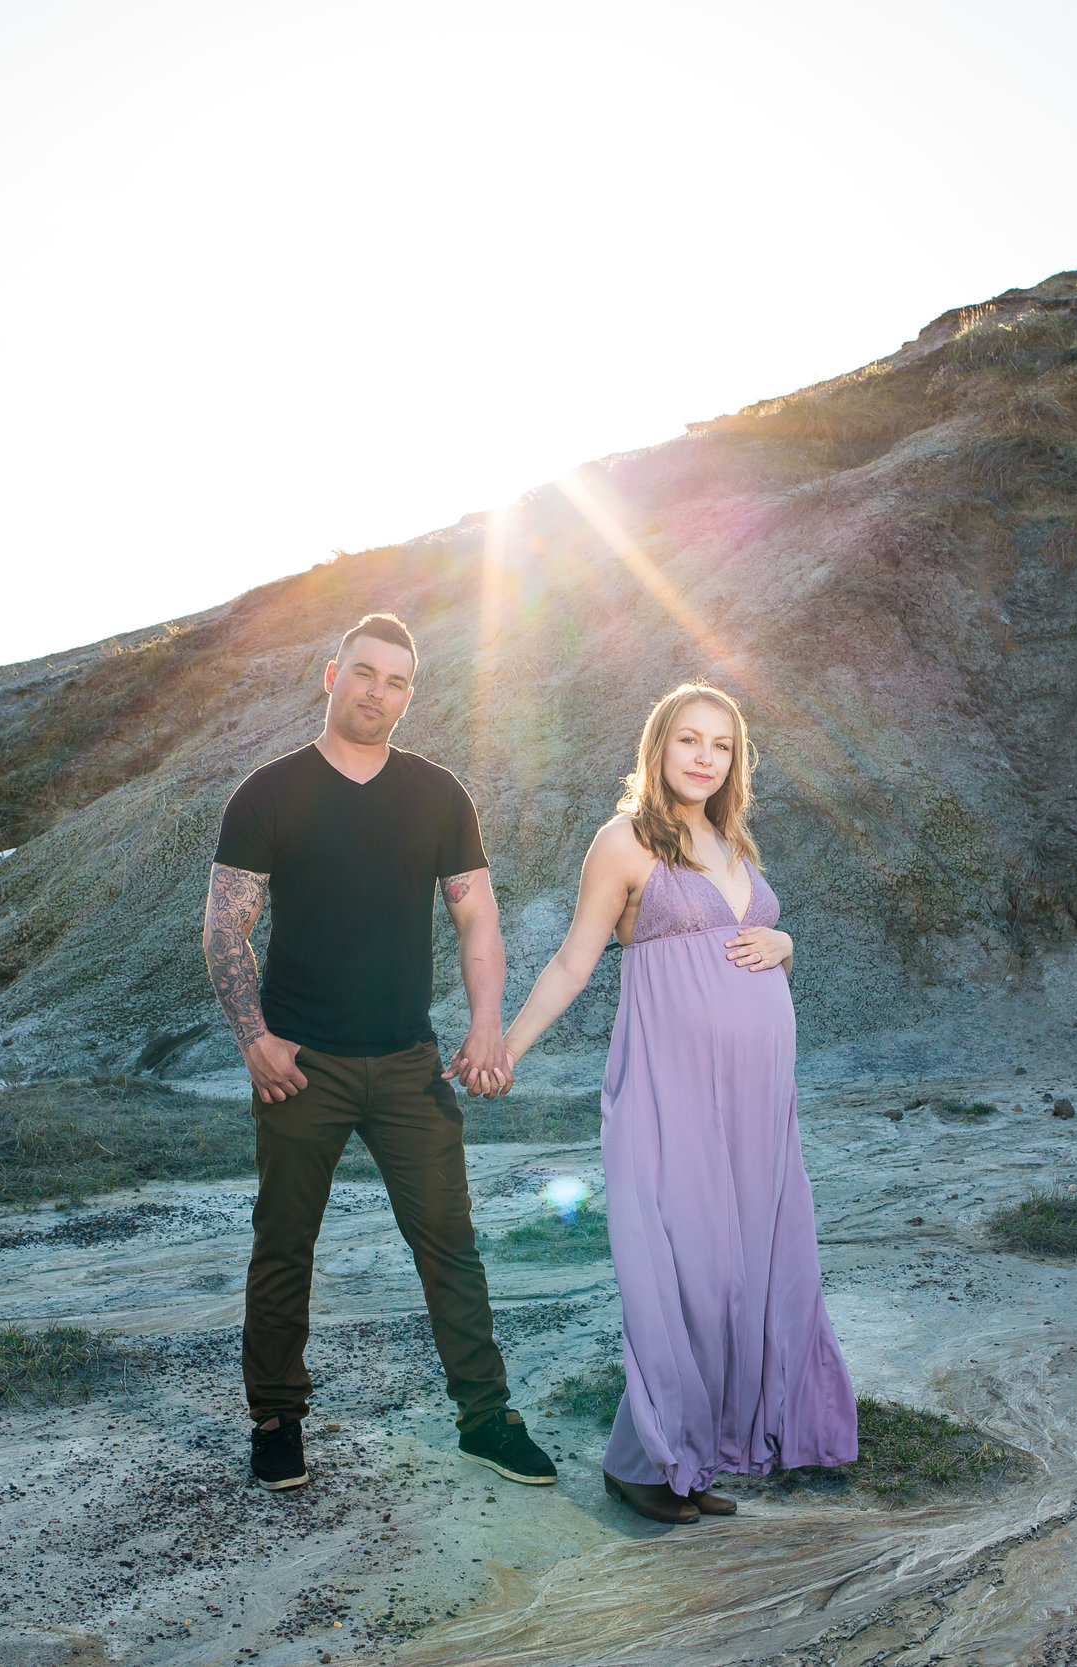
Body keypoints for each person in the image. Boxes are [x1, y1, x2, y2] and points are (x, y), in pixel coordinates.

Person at [201, 611, 557, 1494]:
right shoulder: (269, 791)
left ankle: (485, 1417)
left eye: (398, 680)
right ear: (332, 676)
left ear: (410, 694)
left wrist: (485, 1023)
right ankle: (278, 1421)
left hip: (407, 1061)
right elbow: (224, 924)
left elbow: (476, 914)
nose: (379, 692)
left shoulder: (438, 794)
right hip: (300, 1065)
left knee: (450, 1242)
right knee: (284, 1243)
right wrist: (254, 1039)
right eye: (365, 673)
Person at [499, 682, 857, 1523]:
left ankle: (694, 1455)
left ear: (735, 760)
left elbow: (760, 947)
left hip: (760, 1096)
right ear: (658, 747)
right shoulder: (623, 842)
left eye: (722, 744)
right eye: (689, 739)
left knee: (747, 1269)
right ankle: (642, 1459)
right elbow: (571, 963)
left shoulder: (733, 840)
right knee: (686, 1268)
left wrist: (789, 942)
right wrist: (504, 1049)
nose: (704, 756)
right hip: (674, 1086)